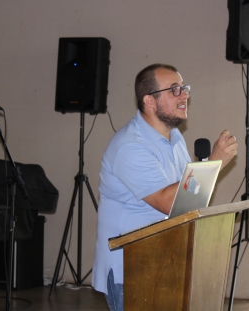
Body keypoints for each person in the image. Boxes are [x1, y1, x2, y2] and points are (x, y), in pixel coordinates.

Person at [92, 63, 238, 310]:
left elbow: (186, 198)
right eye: (174, 90)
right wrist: (215, 163)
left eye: (184, 88)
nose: (184, 95)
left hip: (167, 260)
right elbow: (169, 203)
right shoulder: (130, 146)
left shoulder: (174, 137)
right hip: (132, 269)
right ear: (149, 101)